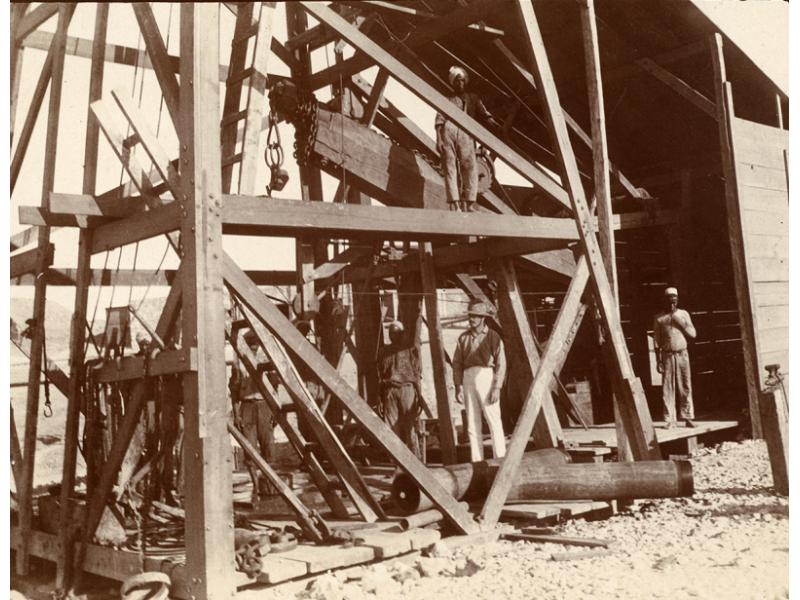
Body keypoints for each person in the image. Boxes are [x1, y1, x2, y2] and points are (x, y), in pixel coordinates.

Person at [435, 65, 499, 212]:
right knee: (450, 167)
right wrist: (439, 139)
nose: (460, 83)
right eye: (457, 81)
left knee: (470, 166)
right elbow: (439, 119)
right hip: (449, 130)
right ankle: (455, 204)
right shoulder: (448, 99)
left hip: (466, 132)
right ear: (453, 83)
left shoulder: (473, 98)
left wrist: (493, 123)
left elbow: (484, 113)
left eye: (462, 80)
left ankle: (469, 203)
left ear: (465, 82)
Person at [452, 300, 507, 461]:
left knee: (493, 419)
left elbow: (501, 363)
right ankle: (477, 461)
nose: (471, 319)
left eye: (475, 316)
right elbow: (457, 363)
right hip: (468, 377)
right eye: (470, 316)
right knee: (472, 423)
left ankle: (500, 458)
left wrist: (497, 387)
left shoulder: (493, 336)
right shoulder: (463, 338)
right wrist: (458, 386)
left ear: (483, 318)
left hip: (486, 376)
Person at [230, 330, 275, 503]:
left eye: (256, 342)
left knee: (268, 446)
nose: (254, 346)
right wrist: (236, 414)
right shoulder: (239, 364)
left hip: (264, 405)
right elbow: (234, 390)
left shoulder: (266, 361)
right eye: (251, 342)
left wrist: (273, 412)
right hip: (247, 406)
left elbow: (275, 387)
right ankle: (256, 487)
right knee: (249, 449)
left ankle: (269, 486)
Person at [376, 321, 423, 459]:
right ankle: (398, 464)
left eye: (396, 333)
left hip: (407, 389)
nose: (393, 336)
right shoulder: (383, 352)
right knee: (391, 429)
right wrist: (379, 398)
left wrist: (418, 396)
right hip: (389, 390)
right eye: (391, 333)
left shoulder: (410, 350)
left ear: (402, 334)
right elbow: (380, 376)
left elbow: (416, 374)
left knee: (410, 428)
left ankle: (417, 463)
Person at [653, 287, 697, 429]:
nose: (672, 303)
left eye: (674, 300)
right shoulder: (659, 318)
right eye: (669, 300)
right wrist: (658, 360)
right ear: (665, 301)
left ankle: (688, 417)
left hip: (682, 354)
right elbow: (656, 341)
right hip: (667, 355)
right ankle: (670, 420)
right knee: (668, 388)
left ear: (677, 301)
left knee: (685, 385)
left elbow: (693, 334)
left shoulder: (684, 314)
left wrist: (681, 323)